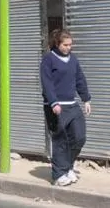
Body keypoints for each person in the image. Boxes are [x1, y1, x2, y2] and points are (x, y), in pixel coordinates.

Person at [40, 29, 91, 186]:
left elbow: (79, 78)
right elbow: (47, 83)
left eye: (70, 45)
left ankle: (67, 166)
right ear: (57, 44)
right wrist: (53, 102)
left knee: (79, 137)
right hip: (55, 107)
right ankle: (58, 175)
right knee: (60, 140)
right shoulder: (48, 60)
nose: (69, 47)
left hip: (71, 105)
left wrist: (86, 99)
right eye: (65, 45)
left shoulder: (73, 59)